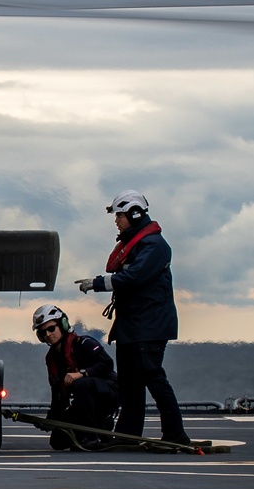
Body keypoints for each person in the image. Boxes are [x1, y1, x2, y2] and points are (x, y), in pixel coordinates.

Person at [75, 190, 192, 446]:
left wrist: (97, 283)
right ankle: (127, 435)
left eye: (120, 216)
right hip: (132, 327)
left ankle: (175, 432)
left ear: (135, 214)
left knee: (153, 378)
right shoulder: (139, 244)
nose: (116, 221)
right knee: (129, 384)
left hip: (148, 328)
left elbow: (135, 277)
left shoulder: (154, 246)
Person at [32, 303, 119, 451]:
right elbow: (58, 396)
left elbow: (107, 364)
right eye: (43, 332)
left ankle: (92, 435)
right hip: (85, 402)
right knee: (58, 442)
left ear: (63, 325)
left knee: (80, 384)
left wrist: (82, 373)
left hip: (109, 393)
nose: (48, 334)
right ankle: (98, 426)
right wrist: (51, 420)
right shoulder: (52, 359)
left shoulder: (84, 343)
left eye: (51, 328)